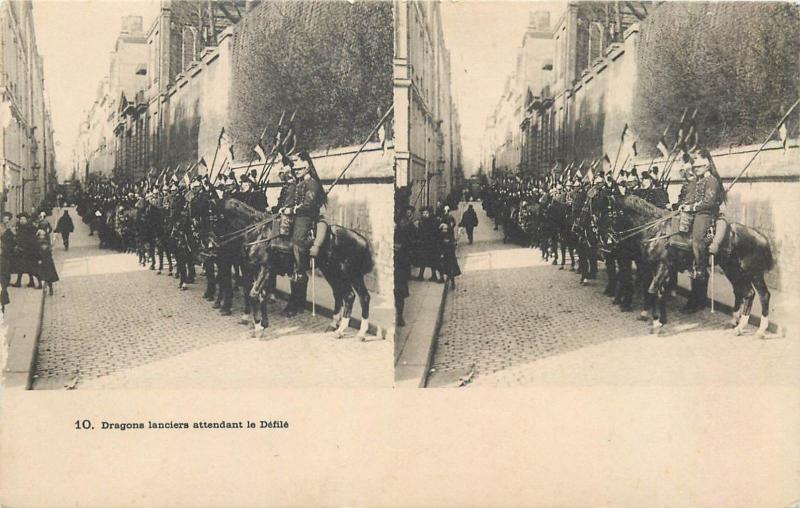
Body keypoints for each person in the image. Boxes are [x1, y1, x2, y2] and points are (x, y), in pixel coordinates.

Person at [679, 148, 724, 312]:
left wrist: (691, 207)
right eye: (694, 166)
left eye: (698, 166)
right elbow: (690, 197)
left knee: (697, 239)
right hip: (693, 213)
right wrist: (683, 206)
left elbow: (709, 202)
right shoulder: (696, 181)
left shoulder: (711, 180)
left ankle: (700, 265)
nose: (695, 168)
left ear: (706, 165)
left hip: (705, 215)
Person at [11, 212, 40, 289]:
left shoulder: (30, 227)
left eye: (23, 219)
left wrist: (23, 246)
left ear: (27, 220)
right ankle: (31, 282)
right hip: (23, 250)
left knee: (24, 267)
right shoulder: (20, 227)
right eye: (20, 219)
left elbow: (31, 239)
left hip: (28, 250)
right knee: (24, 266)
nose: (22, 220)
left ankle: (20, 282)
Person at [438, 222, 461, 289]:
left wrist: (454, 245)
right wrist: (441, 253)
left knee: (451, 270)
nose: (445, 230)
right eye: (443, 229)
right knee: (441, 268)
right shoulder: (440, 237)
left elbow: (453, 244)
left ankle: (453, 283)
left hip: (450, 255)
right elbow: (439, 246)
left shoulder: (449, 236)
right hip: (443, 255)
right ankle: (442, 278)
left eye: (446, 229)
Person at [36, 229, 59, 295]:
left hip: (46, 261)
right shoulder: (38, 242)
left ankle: (49, 288)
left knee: (47, 275)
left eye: (43, 235)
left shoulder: (44, 242)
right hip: (43, 261)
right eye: (41, 235)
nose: (42, 236)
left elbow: (47, 250)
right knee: (43, 275)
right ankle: (45, 287)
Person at [0, 212, 15, 312]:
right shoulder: (1, 227)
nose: (6, 220)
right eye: (5, 218)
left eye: (8, 218)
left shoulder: (10, 226)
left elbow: (14, 236)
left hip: (7, 251)